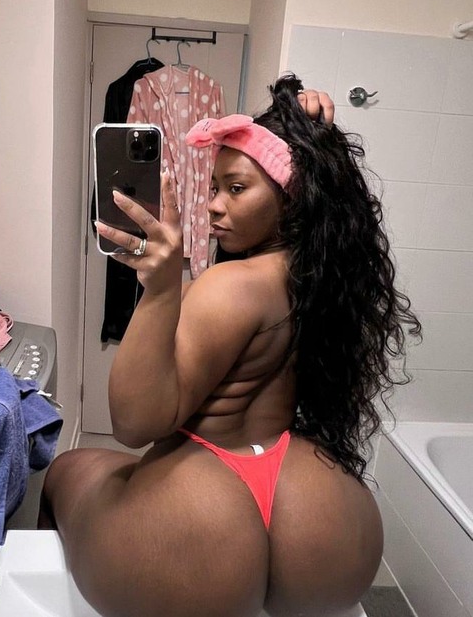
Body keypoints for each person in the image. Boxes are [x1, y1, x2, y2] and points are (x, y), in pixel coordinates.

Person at [40, 75, 421, 617]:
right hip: (323, 520)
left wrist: (160, 290)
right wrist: (304, 125)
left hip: (205, 520)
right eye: (214, 187)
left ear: (293, 194)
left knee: (63, 470)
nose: (214, 206)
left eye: (236, 189)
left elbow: (135, 423)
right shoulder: (324, 274)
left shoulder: (231, 285)